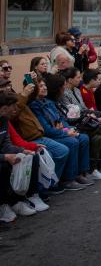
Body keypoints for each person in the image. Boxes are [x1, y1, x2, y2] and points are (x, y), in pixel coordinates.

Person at [30, 74, 93, 189]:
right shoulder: (34, 106)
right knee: (72, 142)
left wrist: (69, 129)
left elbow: (60, 120)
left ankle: (80, 172)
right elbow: (46, 129)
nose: (44, 88)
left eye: (44, 85)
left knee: (83, 137)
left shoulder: (48, 102)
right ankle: (68, 179)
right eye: (40, 86)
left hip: (59, 131)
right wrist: (65, 133)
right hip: (49, 135)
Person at [0, 92, 48, 222]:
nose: (16, 110)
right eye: (14, 106)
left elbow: (7, 144)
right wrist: (5, 157)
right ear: (4, 107)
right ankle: (3, 205)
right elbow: (5, 152)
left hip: (4, 154)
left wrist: (23, 150)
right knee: (3, 166)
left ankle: (19, 201)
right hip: (2, 159)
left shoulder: (4, 120)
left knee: (29, 157)